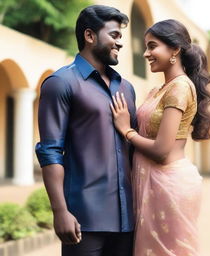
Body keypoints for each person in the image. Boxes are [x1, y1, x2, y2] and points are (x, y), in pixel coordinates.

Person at [35, 5, 136, 256]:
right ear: (90, 36)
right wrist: (60, 211)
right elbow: (50, 151)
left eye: (120, 37)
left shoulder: (127, 88)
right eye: (113, 35)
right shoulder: (60, 83)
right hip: (84, 220)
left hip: (128, 220)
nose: (119, 42)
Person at [110, 19, 210, 256]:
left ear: (175, 49)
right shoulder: (158, 90)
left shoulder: (179, 87)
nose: (146, 53)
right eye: (146, 46)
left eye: (152, 46)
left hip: (168, 185)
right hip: (152, 184)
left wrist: (126, 130)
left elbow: (161, 149)